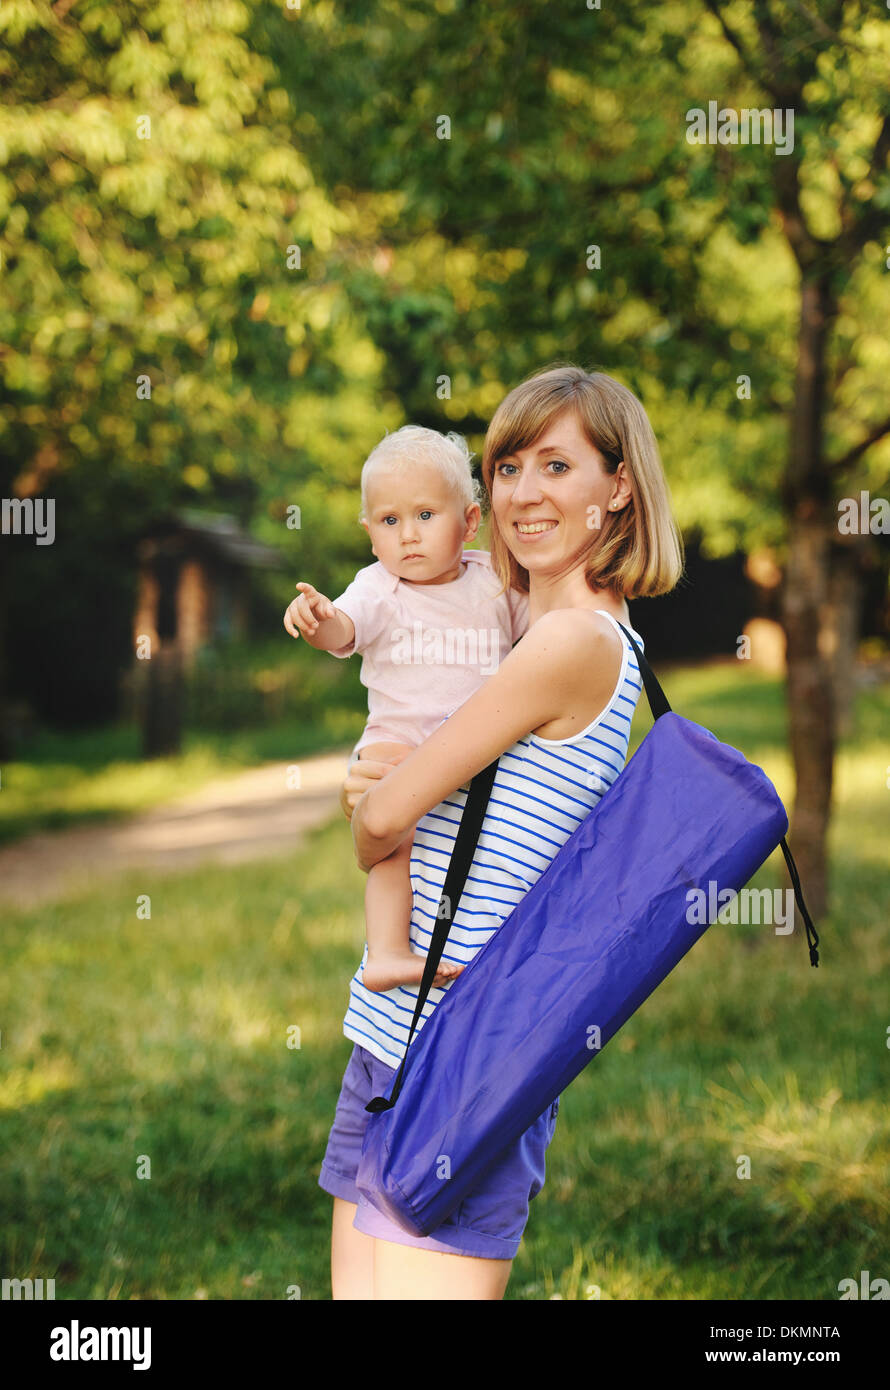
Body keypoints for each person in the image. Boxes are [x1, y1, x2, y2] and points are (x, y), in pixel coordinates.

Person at [320, 364, 684, 1299]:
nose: (524, 492)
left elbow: (385, 820)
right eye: (509, 465)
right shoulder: (523, 634)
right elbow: (412, 791)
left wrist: (371, 807)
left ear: (619, 488)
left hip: (471, 1051)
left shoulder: (572, 642)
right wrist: (375, 786)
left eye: (557, 466)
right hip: (397, 1029)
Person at [283, 425, 528, 991]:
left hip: (477, 748)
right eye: (389, 521)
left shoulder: (494, 580)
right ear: (370, 535)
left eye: (425, 515)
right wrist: (318, 619)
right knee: (394, 847)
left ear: (469, 521)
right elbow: (344, 628)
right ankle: (389, 953)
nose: (408, 535)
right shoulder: (378, 588)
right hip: (398, 744)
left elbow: (544, 631)